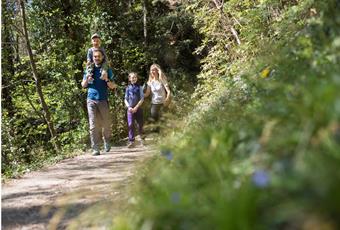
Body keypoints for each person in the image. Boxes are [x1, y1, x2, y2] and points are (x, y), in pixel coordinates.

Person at [81, 49, 116, 155]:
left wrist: (106, 80)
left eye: (98, 56)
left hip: (103, 99)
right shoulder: (88, 70)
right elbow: (83, 85)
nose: (96, 58)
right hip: (91, 99)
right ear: (92, 58)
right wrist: (87, 79)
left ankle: (106, 141)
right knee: (93, 124)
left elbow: (113, 86)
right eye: (95, 56)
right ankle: (95, 147)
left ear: (102, 57)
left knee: (105, 123)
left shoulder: (107, 69)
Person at [144, 64, 171, 130]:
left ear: (157, 71)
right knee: (155, 123)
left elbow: (169, 91)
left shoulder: (162, 80)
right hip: (154, 104)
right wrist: (139, 95)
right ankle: (156, 138)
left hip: (163, 104)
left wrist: (167, 99)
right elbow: (147, 94)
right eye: (151, 70)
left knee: (163, 122)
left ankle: (165, 138)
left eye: (154, 70)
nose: (152, 72)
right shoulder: (150, 82)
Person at [124, 72, 144, 148]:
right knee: (130, 124)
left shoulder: (140, 87)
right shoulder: (127, 88)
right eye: (132, 77)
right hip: (130, 109)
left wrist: (136, 107)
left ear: (137, 78)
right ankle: (131, 141)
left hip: (138, 108)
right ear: (129, 79)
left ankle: (142, 139)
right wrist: (129, 107)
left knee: (140, 124)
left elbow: (142, 98)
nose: (133, 79)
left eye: (135, 77)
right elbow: (125, 99)